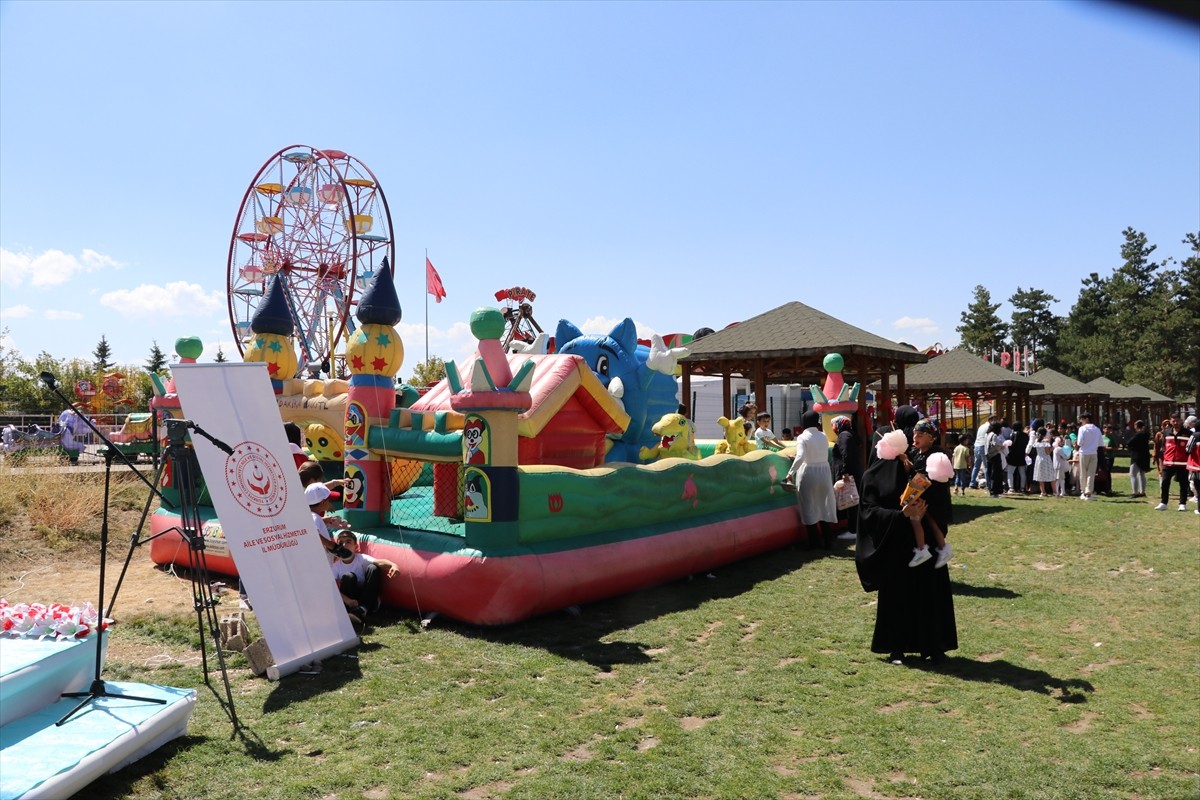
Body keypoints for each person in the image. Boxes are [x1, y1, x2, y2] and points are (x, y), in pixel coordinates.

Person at [854, 405, 957, 665]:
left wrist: (926, 507)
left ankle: (933, 645)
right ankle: (896, 647)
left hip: (925, 545)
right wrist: (901, 515)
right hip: (897, 545)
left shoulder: (918, 463)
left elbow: (939, 499)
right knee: (898, 597)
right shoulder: (874, 475)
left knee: (930, 594)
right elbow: (868, 512)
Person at [784, 411, 838, 549]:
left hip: (809, 472)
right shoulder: (823, 435)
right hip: (824, 472)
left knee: (808, 506)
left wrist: (790, 473)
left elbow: (801, 456)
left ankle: (814, 542)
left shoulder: (802, 437)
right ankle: (828, 541)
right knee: (823, 505)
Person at [906, 418, 953, 569]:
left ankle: (926, 550)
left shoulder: (936, 454)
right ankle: (939, 549)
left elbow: (922, 477)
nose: (915, 437)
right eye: (914, 434)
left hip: (933, 497)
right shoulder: (916, 453)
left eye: (920, 435)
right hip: (925, 496)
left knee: (927, 521)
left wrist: (909, 470)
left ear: (931, 438)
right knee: (927, 521)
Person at [331, 530, 398, 623]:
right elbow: (331, 588)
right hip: (350, 599)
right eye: (341, 543)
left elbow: (379, 562)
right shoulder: (336, 566)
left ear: (356, 547)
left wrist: (393, 565)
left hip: (364, 596)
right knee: (348, 577)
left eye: (348, 542)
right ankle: (353, 610)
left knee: (373, 568)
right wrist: (347, 600)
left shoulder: (361, 558)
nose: (344, 545)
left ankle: (364, 607)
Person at [829, 415, 863, 541]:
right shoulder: (851, 434)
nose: (832, 428)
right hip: (853, 471)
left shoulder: (844, 436)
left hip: (848, 473)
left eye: (833, 425)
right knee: (852, 499)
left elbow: (846, 454)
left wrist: (844, 472)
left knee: (850, 500)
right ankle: (853, 528)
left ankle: (852, 530)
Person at [1155, 415, 1192, 511]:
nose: (1175, 423)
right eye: (1173, 421)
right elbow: (1163, 446)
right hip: (1168, 462)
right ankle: (1163, 503)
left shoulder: (1188, 433)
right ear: (1171, 421)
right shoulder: (1166, 432)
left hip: (1182, 463)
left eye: (1177, 421)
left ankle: (1182, 504)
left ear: (1181, 421)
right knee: (1164, 482)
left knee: (1183, 484)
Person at [306, 483, 343, 564]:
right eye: (328, 500)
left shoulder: (311, 516)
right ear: (323, 502)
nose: (330, 503)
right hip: (320, 564)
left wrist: (323, 520)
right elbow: (313, 533)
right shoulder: (315, 517)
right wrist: (332, 546)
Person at [1075, 413, 1102, 501]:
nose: (1080, 421)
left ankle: (1083, 491)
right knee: (1091, 473)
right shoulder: (1097, 429)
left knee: (1083, 473)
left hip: (1084, 453)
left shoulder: (1082, 429)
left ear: (1086, 419)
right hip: (1093, 453)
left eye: (1081, 419)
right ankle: (1089, 491)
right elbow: (1100, 443)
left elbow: (1079, 442)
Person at [1126, 420, 1151, 498]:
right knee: (1142, 474)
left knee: (1133, 474)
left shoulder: (1138, 434)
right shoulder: (1146, 434)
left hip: (1136, 456)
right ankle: (1142, 492)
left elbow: (1129, 443)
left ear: (1136, 426)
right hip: (1145, 456)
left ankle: (1135, 492)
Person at [1030, 426, 1056, 497]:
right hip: (1046, 459)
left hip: (1039, 459)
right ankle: (1055, 492)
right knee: (1051, 475)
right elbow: (1047, 452)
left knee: (1040, 476)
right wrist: (1052, 449)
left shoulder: (1036, 441)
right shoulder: (1046, 442)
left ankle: (1043, 492)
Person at [968, 415, 992, 490]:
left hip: (977, 446)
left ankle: (972, 483)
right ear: (990, 420)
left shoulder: (981, 426)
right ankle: (988, 485)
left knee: (976, 466)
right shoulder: (989, 427)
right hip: (983, 446)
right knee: (986, 466)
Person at [1005, 420, 1028, 494]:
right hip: (1022, 455)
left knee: (1010, 472)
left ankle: (1011, 488)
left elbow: (1010, 444)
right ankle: (1022, 488)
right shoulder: (1025, 435)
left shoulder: (1012, 434)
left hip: (1013, 456)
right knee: (1022, 473)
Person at [984, 421, 1006, 498]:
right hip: (995, 455)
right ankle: (995, 492)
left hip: (988, 455)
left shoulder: (987, 434)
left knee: (990, 473)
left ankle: (991, 490)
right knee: (996, 474)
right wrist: (1002, 447)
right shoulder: (994, 435)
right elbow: (995, 445)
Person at [1053, 428, 1071, 497]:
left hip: (1056, 465)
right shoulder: (1059, 449)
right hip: (1060, 465)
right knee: (1062, 479)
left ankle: (1057, 491)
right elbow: (1065, 457)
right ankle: (1062, 492)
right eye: (1061, 441)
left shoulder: (1055, 449)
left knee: (1057, 479)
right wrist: (1068, 456)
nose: (1062, 442)